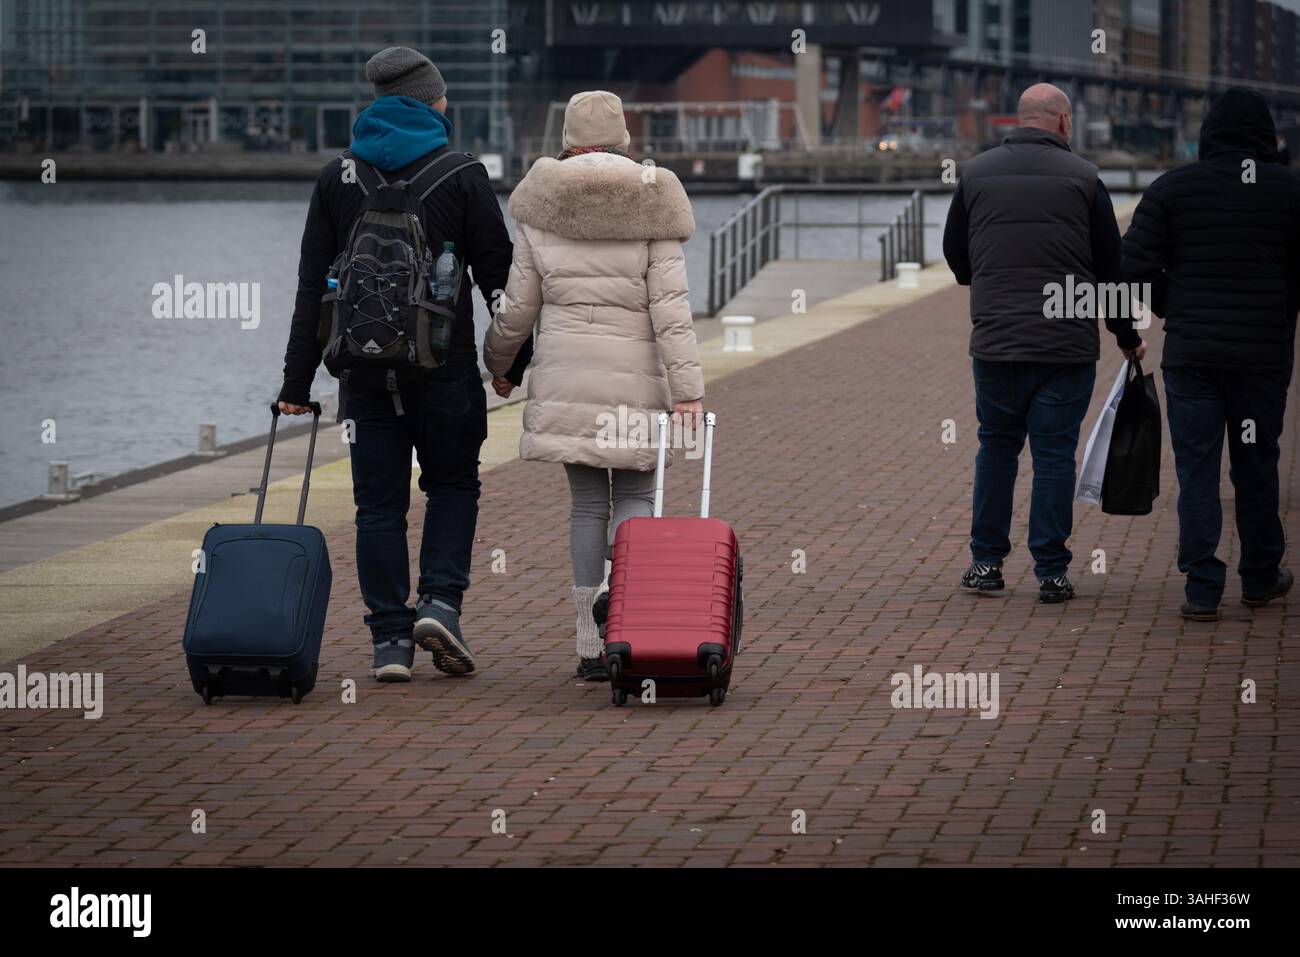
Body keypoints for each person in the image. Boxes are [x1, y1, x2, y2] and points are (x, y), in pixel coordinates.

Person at [277, 47, 529, 681]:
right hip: (443, 372)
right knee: (452, 485)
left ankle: (389, 639)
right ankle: (440, 603)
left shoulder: (337, 177)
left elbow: (314, 288)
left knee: (377, 507)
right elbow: (500, 283)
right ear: (430, 102)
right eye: (442, 97)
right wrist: (511, 364)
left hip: (363, 374)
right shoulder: (463, 174)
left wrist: (295, 384)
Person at [483, 91, 704, 680]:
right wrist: (688, 392)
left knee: (586, 505)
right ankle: (626, 623)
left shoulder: (541, 201)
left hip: (566, 377)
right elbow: (671, 312)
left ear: (567, 135)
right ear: (623, 136)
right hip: (635, 380)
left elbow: (518, 306)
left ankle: (587, 643)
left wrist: (500, 364)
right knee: (635, 498)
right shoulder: (654, 196)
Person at [943, 83, 1145, 603]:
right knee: (1055, 455)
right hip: (1065, 344)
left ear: (1020, 119)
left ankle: (986, 564)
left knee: (996, 449)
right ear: (1062, 121)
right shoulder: (1085, 178)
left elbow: (954, 251)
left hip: (997, 342)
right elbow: (1110, 270)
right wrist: (1125, 335)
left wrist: (985, 282)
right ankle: (1051, 572)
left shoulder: (975, 172)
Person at [1123, 87, 1300, 621]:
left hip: (1193, 357)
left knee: (1197, 469)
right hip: (1262, 359)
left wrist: (1169, 303)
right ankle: (1261, 575)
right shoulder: (1290, 191)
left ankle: (1202, 588)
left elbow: (1129, 266)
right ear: (1266, 134)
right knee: (1256, 463)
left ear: (1208, 133)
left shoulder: (1173, 189)